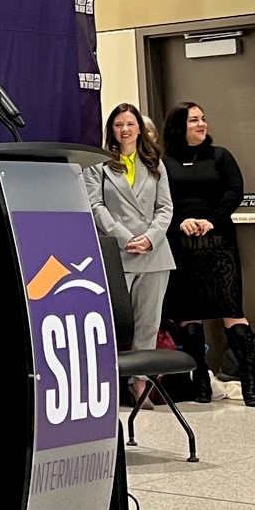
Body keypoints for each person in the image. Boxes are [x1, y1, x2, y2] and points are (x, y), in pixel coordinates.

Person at [160, 101, 255, 406]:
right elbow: (161, 200)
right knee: (189, 314)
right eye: (194, 120)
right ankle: (200, 379)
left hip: (218, 242)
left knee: (231, 309)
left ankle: (250, 382)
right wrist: (181, 221)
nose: (202, 124)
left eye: (203, 119)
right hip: (182, 242)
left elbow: (234, 191)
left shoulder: (220, 156)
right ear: (180, 126)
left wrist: (211, 219)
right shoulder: (164, 162)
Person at [84, 106, 177, 386]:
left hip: (154, 253)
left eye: (130, 124)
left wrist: (150, 237)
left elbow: (165, 207)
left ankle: (140, 383)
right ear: (111, 130)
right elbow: (95, 205)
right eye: (118, 125)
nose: (124, 129)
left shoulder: (154, 163)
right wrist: (125, 238)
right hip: (118, 253)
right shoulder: (97, 165)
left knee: (149, 322)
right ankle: (107, 382)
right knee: (113, 322)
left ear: (139, 128)